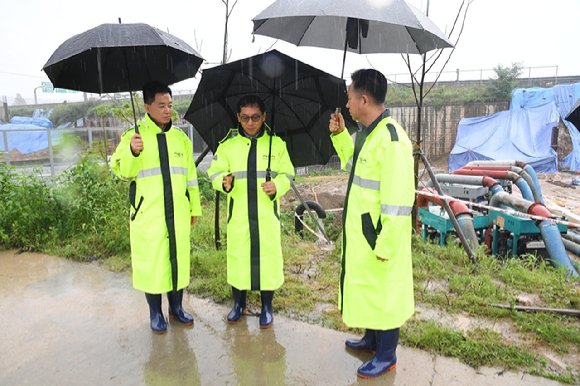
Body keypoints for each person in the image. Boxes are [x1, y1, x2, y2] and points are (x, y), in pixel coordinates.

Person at [328, 69, 415, 378]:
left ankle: (387, 354)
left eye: (350, 98)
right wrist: (340, 136)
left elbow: (399, 200)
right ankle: (371, 339)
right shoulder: (368, 134)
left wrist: (385, 243)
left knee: (385, 292)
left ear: (364, 99)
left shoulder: (391, 139)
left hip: (378, 235)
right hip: (365, 233)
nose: (347, 105)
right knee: (369, 288)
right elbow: (354, 167)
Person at [110, 81, 201, 334]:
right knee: (153, 264)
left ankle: (176, 308)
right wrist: (131, 151)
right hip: (149, 214)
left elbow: (190, 177)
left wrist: (193, 207)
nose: (167, 110)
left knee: (177, 262)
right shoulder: (134, 137)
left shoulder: (180, 139)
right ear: (147, 106)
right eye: (161, 105)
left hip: (179, 213)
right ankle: (155, 313)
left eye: (170, 105)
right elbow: (121, 170)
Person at [207, 95, 295, 329]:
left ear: (264, 116)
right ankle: (239, 304)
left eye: (255, 117)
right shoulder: (228, 146)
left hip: (266, 216)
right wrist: (224, 182)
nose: (250, 122)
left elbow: (288, 173)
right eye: (244, 117)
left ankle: (267, 307)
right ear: (238, 117)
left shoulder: (276, 145)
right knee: (239, 260)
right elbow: (214, 173)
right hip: (240, 217)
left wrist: (278, 185)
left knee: (267, 261)